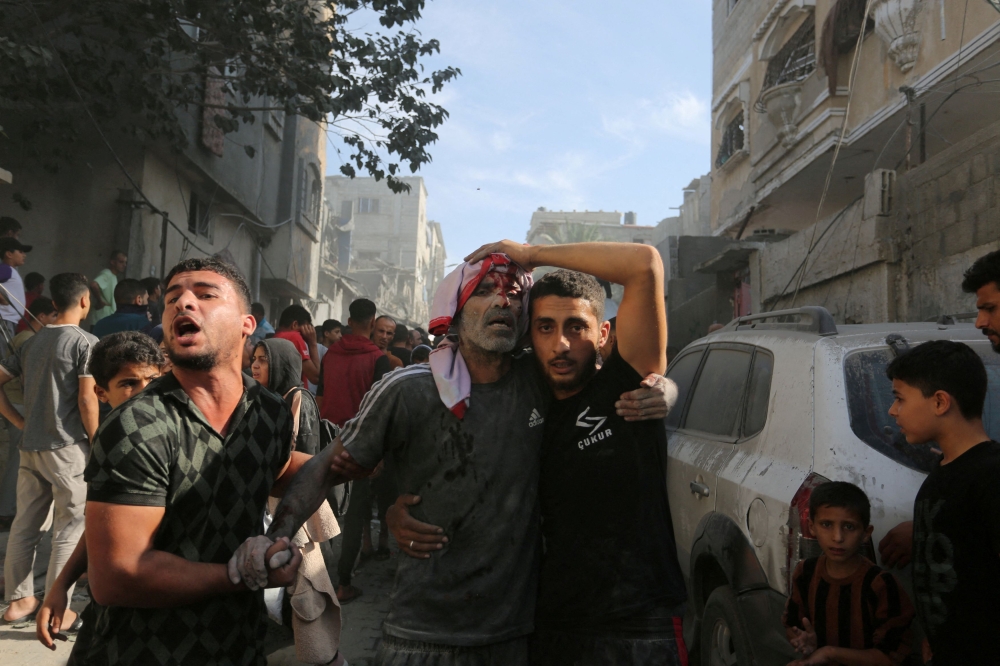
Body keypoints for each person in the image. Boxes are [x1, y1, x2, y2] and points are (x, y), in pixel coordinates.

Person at [232, 246, 674, 665]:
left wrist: (664, 389)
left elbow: (631, 320)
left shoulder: (544, 384)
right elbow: (329, 465)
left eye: (514, 295)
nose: (502, 301)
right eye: (484, 291)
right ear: (456, 312)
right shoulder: (409, 390)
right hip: (420, 636)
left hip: (528, 636)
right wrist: (283, 534)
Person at [461, 241, 687, 665]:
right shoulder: (518, 399)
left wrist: (529, 253)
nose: (561, 344)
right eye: (545, 327)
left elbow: (644, 264)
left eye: (576, 327)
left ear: (603, 334)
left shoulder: (630, 382)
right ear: (530, 334)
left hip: (639, 627)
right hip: (548, 626)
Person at [74, 257, 308, 665]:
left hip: (241, 646)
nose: (183, 303)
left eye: (204, 294)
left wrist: (360, 458)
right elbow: (116, 577)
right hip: (142, 651)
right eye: (172, 298)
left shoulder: (268, 413)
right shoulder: (138, 425)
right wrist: (244, 574)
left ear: (246, 324)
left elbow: (275, 472)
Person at [35, 331, 164, 653]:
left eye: (152, 380)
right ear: (101, 393)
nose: (143, 393)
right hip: (124, 600)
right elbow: (100, 521)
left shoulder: (168, 427)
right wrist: (60, 586)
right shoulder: (114, 438)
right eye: (128, 383)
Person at [883, 340, 1000, 665]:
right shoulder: (944, 472)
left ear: (939, 402)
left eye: (900, 399)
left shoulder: (991, 476)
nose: (893, 411)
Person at [0, 274, 99, 625]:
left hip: (32, 447)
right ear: (84, 301)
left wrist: (19, 421)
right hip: (68, 448)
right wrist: (98, 439)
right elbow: (87, 400)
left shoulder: (31, 342)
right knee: (69, 528)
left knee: (25, 525)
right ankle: (59, 610)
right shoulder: (86, 343)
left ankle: (19, 601)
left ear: (54, 303)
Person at [783, 482, 914, 666]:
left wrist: (829, 653)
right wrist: (804, 642)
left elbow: (889, 657)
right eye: (826, 524)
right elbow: (792, 626)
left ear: (866, 533)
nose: (837, 537)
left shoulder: (880, 585)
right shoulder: (805, 573)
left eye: (849, 527)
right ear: (811, 527)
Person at [314, 298, 391, 603]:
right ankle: (343, 583)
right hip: (358, 446)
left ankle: (317, 580)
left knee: (325, 514)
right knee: (355, 516)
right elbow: (381, 410)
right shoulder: (377, 358)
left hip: (328, 440)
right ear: (372, 322)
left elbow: (320, 400)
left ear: (348, 320)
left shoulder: (330, 353)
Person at [0, 297, 58, 530]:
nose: (56, 320)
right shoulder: (30, 340)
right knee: (18, 464)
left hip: (18, 404)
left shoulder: (26, 338)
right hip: (19, 405)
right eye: (53, 315)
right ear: (41, 317)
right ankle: (7, 511)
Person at [274, 304, 321, 386]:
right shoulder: (294, 337)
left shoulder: (275, 337)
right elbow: (315, 377)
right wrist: (312, 343)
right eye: (306, 327)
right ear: (295, 324)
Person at [0, 237, 32, 344]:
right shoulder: (6, 269)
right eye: (21, 252)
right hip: (4, 320)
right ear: (9, 254)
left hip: (9, 321)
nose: (24, 255)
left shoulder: (11, 271)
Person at [86, 250, 127, 328]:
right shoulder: (107, 273)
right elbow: (94, 285)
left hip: (107, 318)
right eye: (121, 262)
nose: (124, 265)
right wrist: (100, 301)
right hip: (101, 319)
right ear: (113, 262)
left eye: (125, 262)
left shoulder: (113, 276)